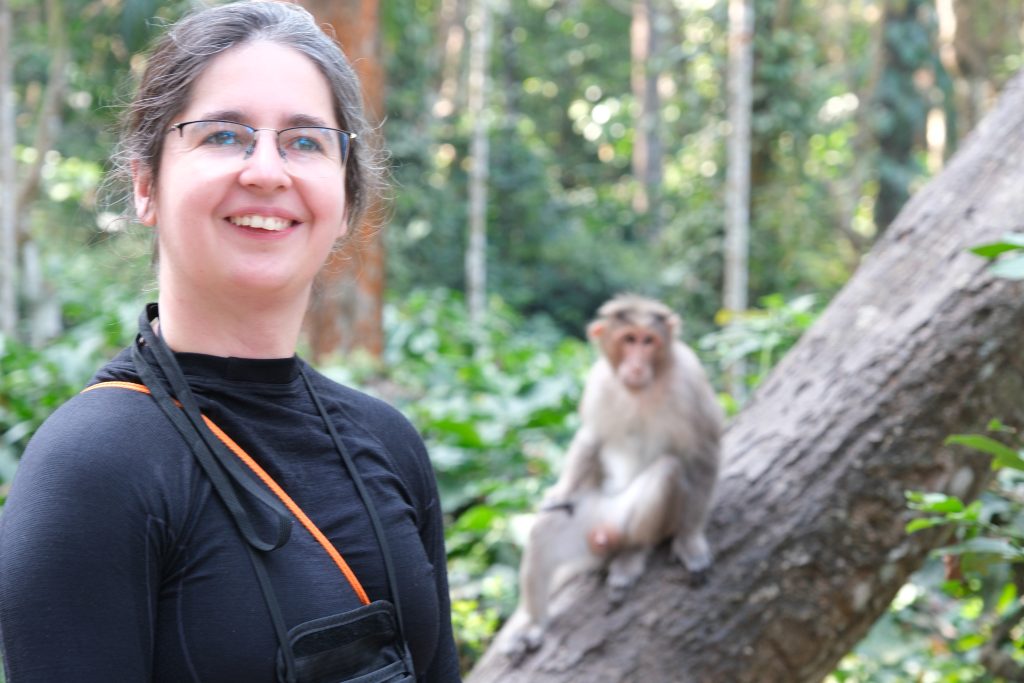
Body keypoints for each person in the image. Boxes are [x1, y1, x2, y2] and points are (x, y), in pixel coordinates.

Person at [0, 2, 461, 681]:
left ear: (344, 199)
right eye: (223, 135)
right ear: (145, 185)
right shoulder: (94, 465)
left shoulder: (387, 442)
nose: (267, 171)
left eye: (305, 141)